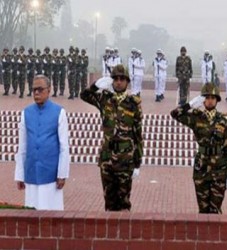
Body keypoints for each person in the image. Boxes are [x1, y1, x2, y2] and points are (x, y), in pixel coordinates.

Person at [80, 64, 143, 211]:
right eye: (115, 79)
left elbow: (138, 134)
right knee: (109, 201)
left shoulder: (133, 104)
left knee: (124, 203)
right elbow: (84, 95)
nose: (119, 82)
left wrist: (137, 162)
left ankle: (124, 233)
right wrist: (95, 86)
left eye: (122, 79)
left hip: (125, 159)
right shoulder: (104, 99)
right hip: (107, 159)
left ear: (127, 82)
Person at [170, 83, 227, 214]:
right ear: (202, 100)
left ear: (217, 100)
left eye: (213, 98)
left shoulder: (224, 119)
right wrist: (190, 104)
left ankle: (216, 234)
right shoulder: (196, 116)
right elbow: (175, 114)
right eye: (207, 97)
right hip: (202, 167)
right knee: (203, 210)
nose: (210, 100)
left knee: (215, 210)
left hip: (219, 169)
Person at [14, 75, 70, 210]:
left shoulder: (59, 112)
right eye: (34, 90)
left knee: (51, 217)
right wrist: (20, 175)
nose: (36, 93)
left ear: (49, 90)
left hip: (51, 175)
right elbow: (22, 147)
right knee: (31, 216)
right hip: (31, 173)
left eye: (40, 89)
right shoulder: (26, 113)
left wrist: (62, 175)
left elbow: (64, 147)